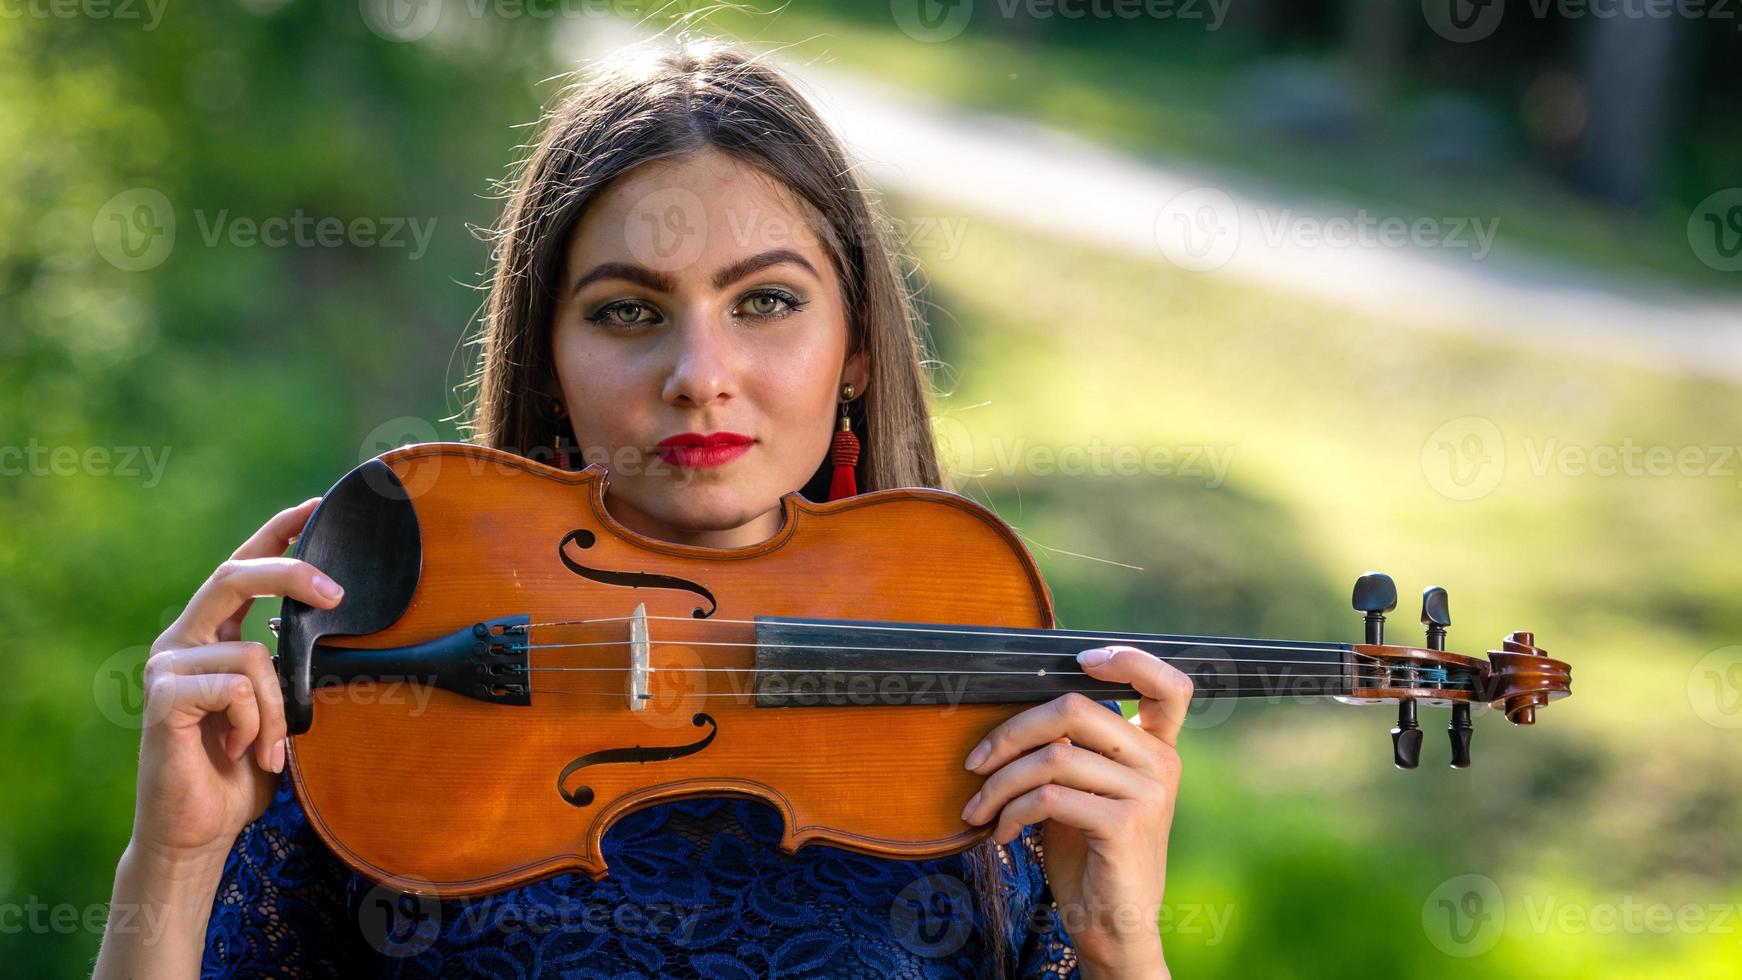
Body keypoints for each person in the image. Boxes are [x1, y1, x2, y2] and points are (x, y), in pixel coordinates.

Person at [93, 37, 1189, 979]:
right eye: (627, 311)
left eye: (764, 301)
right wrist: (174, 861)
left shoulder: (987, 739)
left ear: (854, 348)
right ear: (549, 358)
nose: (699, 372)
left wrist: (1119, 942)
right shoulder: (382, 698)